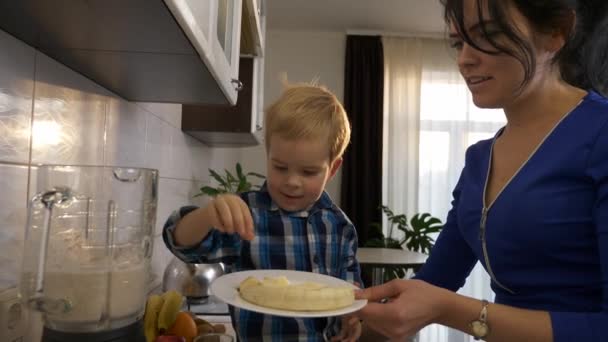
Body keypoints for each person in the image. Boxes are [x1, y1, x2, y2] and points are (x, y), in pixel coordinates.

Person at [355, 0, 608, 341]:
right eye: (459, 42)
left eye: (487, 35)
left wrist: (450, 309)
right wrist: (347, 317)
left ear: (555, 33)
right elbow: (433, 283)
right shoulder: (479, 161)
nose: (465, 59)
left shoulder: (600, 134)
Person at [162, 82, 363, 342]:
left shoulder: (340, 226)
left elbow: (351, 289)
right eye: (280, 167)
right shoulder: (246, 216)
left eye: (308, 172)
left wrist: (353, 316)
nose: (292, 181)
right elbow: (179, 243)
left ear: (332, 169)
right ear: (268, 155)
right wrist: (208, 215)